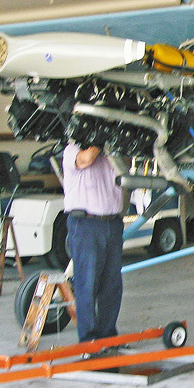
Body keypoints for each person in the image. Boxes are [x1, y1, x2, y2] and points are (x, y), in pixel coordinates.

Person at [62, 142, 125, 344]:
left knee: (112, 284)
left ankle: (107, 336)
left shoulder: (111, 155)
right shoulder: (71, 150)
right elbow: (86, 159)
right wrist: (101, 139)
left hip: (112, 223)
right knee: (87, 284)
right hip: (86, 224)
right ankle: (88, 340)